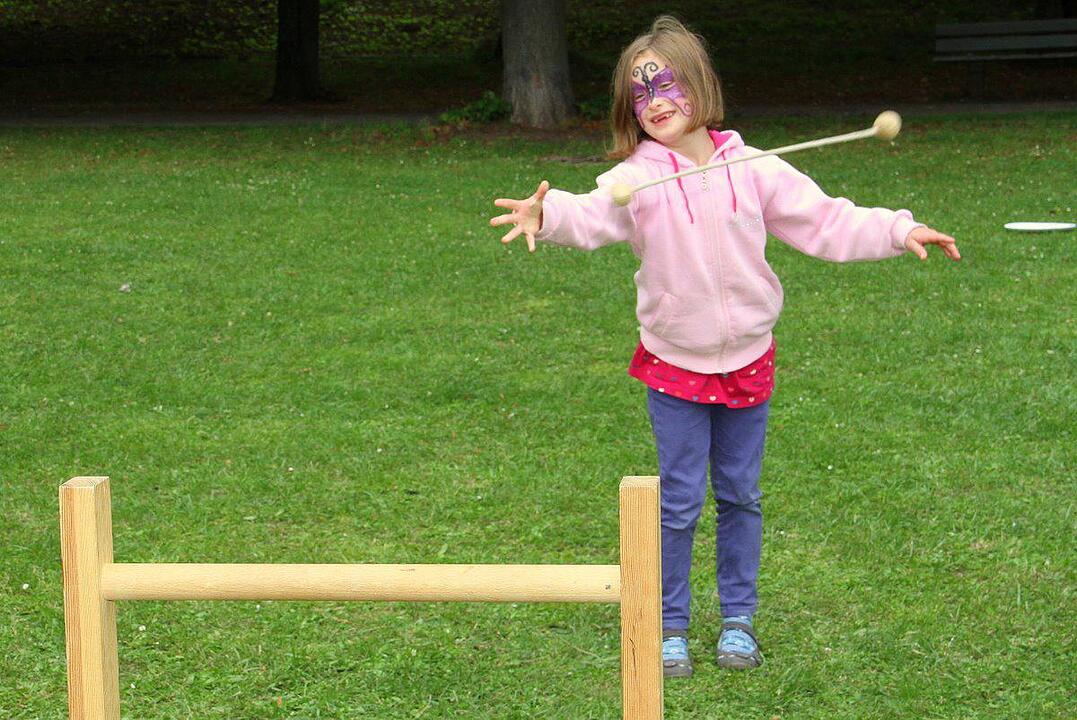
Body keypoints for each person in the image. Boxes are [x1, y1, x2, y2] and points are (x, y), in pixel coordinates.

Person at [488, 15, 960, 677]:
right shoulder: (636, 178)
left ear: (700, 88)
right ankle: (672, 625)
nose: (653, 103)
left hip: (747, 358)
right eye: (639, 93)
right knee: (678, 501)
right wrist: (549, 213)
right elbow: (592, 213)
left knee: (739, 495)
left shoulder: (754, 169)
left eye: (665, 86)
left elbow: (824, 220)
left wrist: (897, 230)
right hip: (673, 363)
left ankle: (737, 619)